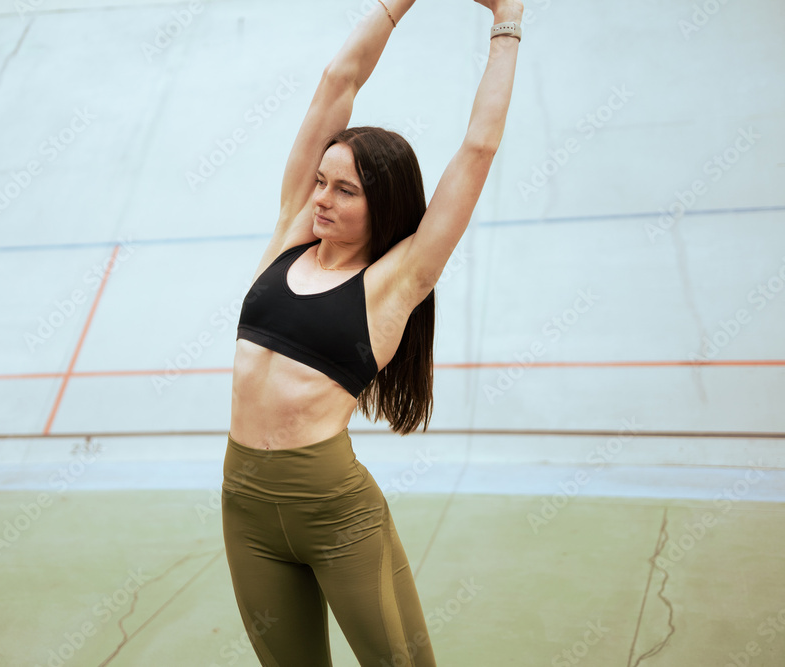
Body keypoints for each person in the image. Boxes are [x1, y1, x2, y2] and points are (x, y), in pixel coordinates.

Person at [221, 0, 523, 664]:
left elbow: (477, 149)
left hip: (333, 510)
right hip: (244, 504)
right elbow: (338, 81)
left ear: (380, 203)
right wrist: (396, 3)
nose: (321, 197)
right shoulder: (290, 236)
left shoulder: (398, 278)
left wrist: (507, 18)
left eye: (344, 190)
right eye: (320, 182)